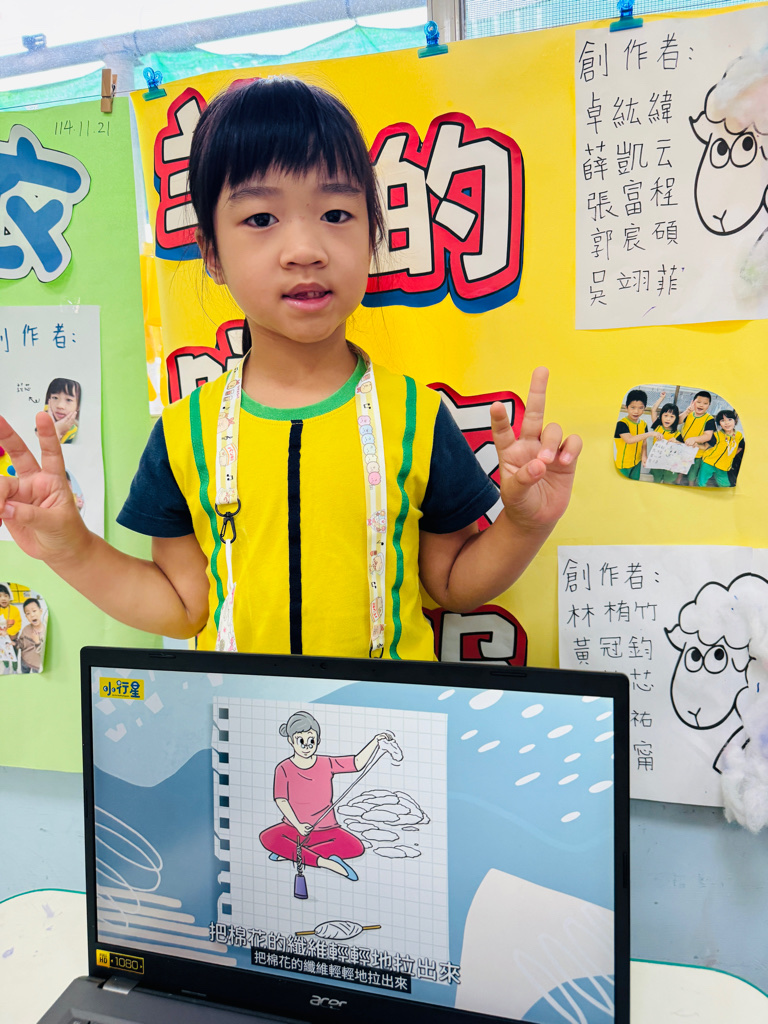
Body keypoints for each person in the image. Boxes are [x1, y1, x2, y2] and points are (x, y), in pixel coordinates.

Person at [0, 77, 581, 659]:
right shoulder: (183, 434)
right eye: (261, 219)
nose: (305, 249)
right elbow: (183, 608)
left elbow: (451, 583)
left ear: (373, 235)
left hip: (390, 717)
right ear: (211, 253)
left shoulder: (418, 418)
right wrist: (72, 548)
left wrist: (524, 524)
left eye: (336, 213)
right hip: (238, 715)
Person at [259, 711, 387, 880]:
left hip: (327, 830)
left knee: (356, 847)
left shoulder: (326, 763)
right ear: (291, 740)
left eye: (311, 741)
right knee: (267, 837)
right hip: (294, 829)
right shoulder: (284, 768)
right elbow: (281, 799)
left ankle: (292, 853)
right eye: (301, 741)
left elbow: (356, 763)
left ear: (318, 740)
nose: (307, 746)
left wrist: (376, 741)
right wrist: (298, 825)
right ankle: (326, 862)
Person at [614, 389, 655, 480]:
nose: (636, 411)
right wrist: (650, 434)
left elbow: (644, 442)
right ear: (626, 407)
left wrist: (644, 456)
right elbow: (629, 440)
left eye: (640, 408)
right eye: (632, 407)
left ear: (644, 408)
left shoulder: (643, 424)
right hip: (623, 464)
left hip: (637, 463)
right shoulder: (621, 424)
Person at [678, 391, 716, 485]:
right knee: (680, 468)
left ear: (709, 405)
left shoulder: (709, 419)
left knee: (693, 472)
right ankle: (678, 481)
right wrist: (686, 412)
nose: (701, 405)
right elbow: (678, 421)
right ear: (693, 402)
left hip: (697, 451)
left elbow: (708, 436)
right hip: (683, 448)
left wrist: (694, 439)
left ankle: (691, 485)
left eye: (705, 403)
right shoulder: (689, 413)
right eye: (698, 402)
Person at [698, 409, 744, 488]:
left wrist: (732, 455)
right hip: (708, 462)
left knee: (725, 485)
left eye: (730, 419)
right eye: (723, 420)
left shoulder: (739, 436)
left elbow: (741, 447)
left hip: (724, 465)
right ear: (719, 423)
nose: (727, 423)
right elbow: (705, 446)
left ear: (735, 421)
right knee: (701, 482)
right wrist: (694, 444)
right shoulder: (716, 435)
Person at [644, 402, 685, 484]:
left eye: (672, 416)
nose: (668, 419)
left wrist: (676, 441)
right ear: (661, 416)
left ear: (676, 418)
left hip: (669, 466)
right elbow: (653, 410)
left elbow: (683, 448)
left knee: (668, 482)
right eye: (665, 415)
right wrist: (661, 398)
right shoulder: (657, 426)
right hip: (657, 463)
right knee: (656, 481)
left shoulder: (677, 434)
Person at [44, 379, 81, 444]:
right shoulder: (40, 418)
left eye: (68, 400)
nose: (60, 406)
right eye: (55, 398)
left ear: (78, 406)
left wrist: (57, 430)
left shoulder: (75, 433)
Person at [17, 597, 46, 674]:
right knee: (24, 675)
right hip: (24, 660)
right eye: (28, 613)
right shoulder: (25, 629)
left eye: (34, 611)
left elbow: (44, 653)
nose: (32, 615)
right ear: (26, 617)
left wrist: (37, 642)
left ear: (40, 611)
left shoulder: (45, 631)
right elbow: (21, 643)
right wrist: (16, 644)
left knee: (35, 677)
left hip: (36, 663)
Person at [0, 584, 21, 673]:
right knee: (3, 654)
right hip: (1, 640)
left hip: (12, 639)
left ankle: (15, 669)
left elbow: (18, 624)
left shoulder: (14, 609)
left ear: (9, 597)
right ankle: (6, 667)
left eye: (6, 596)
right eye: (0, 596)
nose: (3, 599)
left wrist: (8, 632)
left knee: (14, 655)